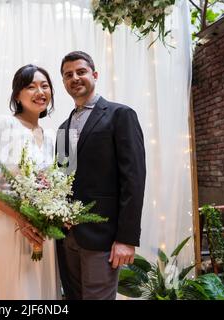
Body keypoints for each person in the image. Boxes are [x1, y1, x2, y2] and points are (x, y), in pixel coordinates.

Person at [56, 51, 146, 300]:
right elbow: (63, 182)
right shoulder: (63, 129)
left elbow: (134, 180)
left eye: (81, 72)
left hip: (102, 238)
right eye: (68, 75)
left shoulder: (120, 115)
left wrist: (127, 239)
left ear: (94, 75)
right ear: (64, 82)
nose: (75, 78)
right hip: (67, 237)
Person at [0, 64, 60, 299]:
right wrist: (21, 216)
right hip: (12, 226)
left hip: (43, 231)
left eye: (45, 86)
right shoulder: (5, 126)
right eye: (30, 86)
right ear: (17, 95)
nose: (40, 92)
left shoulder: (51, 137)